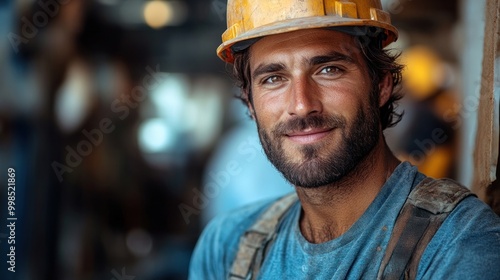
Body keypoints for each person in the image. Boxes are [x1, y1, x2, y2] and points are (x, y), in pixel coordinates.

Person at [189, 0, 500, 279]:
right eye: (273, 78)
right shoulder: (228, 246)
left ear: (381, 85)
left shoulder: (458, 242)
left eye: (329, 69)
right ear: (249, 103)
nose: (301, 104)